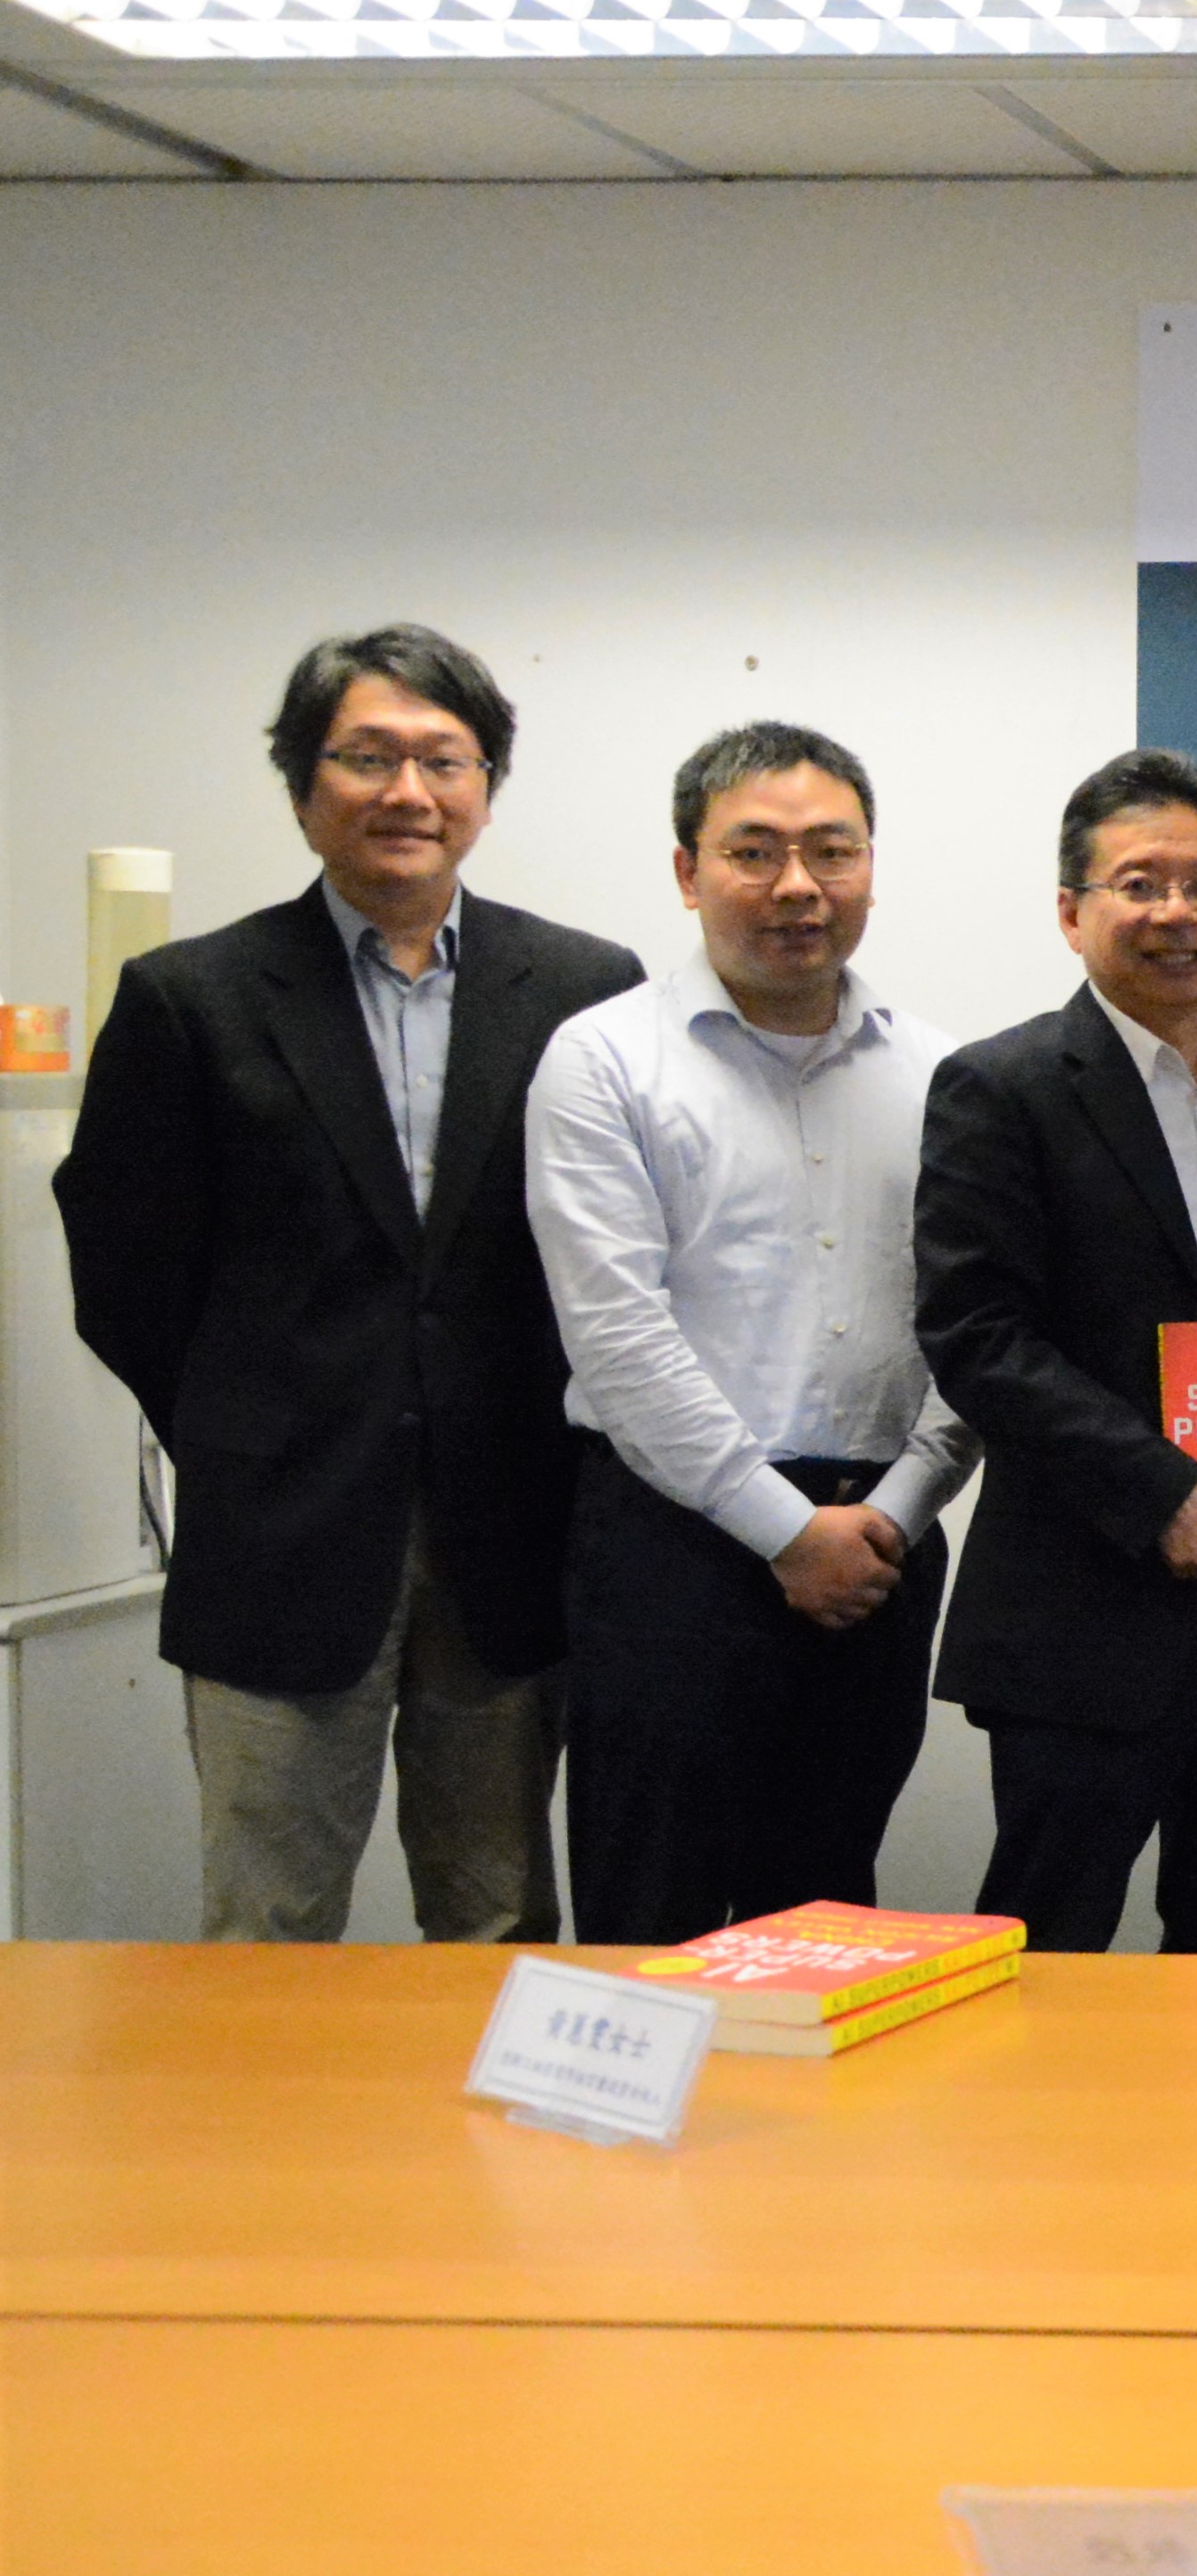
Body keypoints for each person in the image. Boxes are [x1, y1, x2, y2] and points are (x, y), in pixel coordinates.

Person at [57, 623, 641, 1944]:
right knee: (268, 1920)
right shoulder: (191, 997)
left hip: (510, 1526)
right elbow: (123, 1262)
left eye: (444, 759)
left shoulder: (584, 989)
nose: (408, 792)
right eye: (367, 757)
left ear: (486, 787)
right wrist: (245, 1418)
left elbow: (614, 1252)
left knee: (497, 1920)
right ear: (304, 784)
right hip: (279, 1529)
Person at [913, 752, 1197, 1956]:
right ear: (1073, 910)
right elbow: (978, 1337)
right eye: (1140, 883)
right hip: (1084, 1601)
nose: (1178, 913)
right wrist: (1166, 1491)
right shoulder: (1000, 1087)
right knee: (1050, 1947)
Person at [523, 721, 975, 1946]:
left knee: (826, 1920)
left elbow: (974, 1326)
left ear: (871, 867)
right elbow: (618, 1336)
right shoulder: (603, 1060)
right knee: (651, 1918)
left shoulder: (947, 1077)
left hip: (881, 1546)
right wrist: (785, 1531)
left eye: (832, 851)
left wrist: (899, 1509)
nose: (797, 887)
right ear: (687, 872)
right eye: (755, 852)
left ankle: (811, 2150)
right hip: (673, 1541)